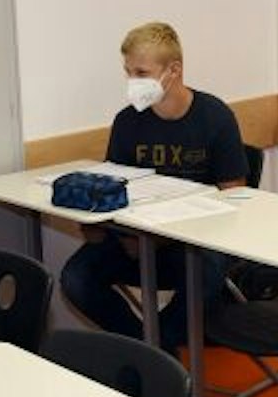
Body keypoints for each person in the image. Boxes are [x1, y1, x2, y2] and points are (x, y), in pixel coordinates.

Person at [58, 21, 246, 349]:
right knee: (77, 278)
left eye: (141, 73)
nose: (133, 82)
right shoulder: (127, 121)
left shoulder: (215, 117)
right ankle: (148, 349)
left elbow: (235, 199)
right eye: (128, 72)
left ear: (173, 71)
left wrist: (161, 239)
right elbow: (115, 191)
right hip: (136, 241)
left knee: (207, 273)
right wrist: (95, 222)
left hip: (193, 247)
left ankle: (155, 352)